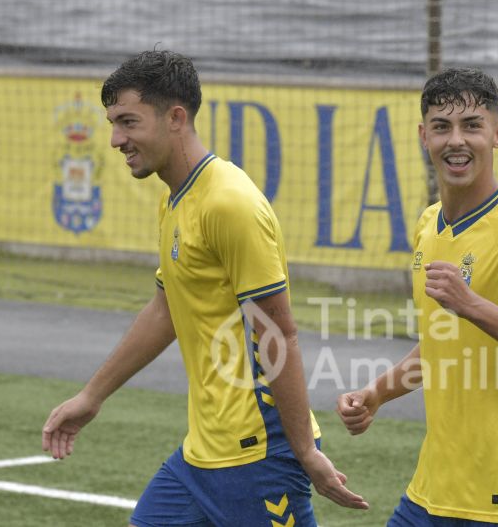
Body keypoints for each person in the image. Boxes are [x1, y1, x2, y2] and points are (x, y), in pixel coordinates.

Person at [42, 50, 368, 527]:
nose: (115, 139)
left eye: (128, 122)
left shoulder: (229, 203)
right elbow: (166, 309)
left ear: (176, 117)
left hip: (260, 456)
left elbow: (278, 334)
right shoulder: (176, 199)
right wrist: (92, 396)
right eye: (113, 123)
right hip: (202, 455)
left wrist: (303, 452)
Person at [337, 68, 498, 526]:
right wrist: (376, 394)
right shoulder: (429, 225)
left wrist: (471, 304)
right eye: (443, 127)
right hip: (431, 491)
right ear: (423, 135)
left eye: (472, 125)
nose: (457, 141)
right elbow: (442, 345)